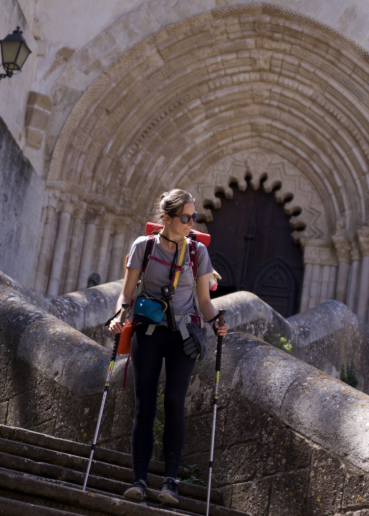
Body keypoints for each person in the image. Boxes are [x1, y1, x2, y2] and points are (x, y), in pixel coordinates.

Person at [108, 189, 228, 505]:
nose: (191, 223)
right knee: (144, 404)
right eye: (185, 217)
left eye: (194, 217)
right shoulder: (142, 248)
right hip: (148, 331)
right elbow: (127, 293)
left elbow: (205, 302)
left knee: (174, 402)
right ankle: (139, 479)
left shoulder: (197, 253)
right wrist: (120, 313)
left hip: (184, 337)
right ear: (167, 218)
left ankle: (171, 482)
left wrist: (217, 321)